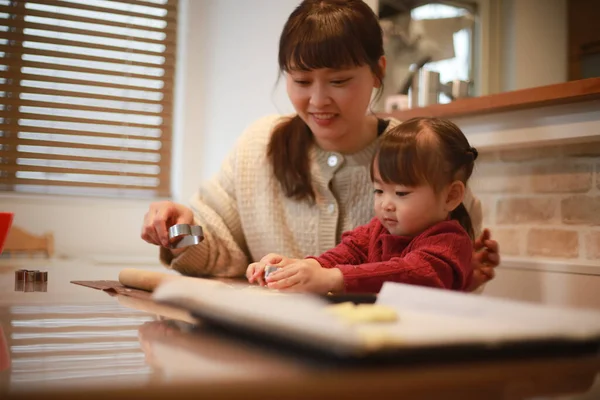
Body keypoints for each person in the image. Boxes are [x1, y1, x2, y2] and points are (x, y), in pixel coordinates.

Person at [140, 0, 499, 291]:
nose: (318, 100)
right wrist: (180, 231)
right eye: (301, 80)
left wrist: (468, 277)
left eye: (339, 80)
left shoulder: (417, 154)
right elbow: (221, 254)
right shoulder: (257, 146)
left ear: (378, 72)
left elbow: (446, 273)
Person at [248, 117, 477, 294]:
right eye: (379, 191)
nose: (386, 204)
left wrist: (332, 278)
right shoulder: (376, 230)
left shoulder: (451, 244)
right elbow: (343, 254)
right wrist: (296, 268)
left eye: (401, 193)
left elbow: (412, 273)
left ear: (451, 196)